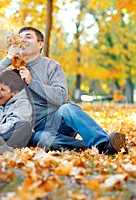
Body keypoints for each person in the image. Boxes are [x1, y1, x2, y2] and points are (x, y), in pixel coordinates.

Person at [14, 26, 126, 155]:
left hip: (57, 121)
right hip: (35, 131)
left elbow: (61, 97)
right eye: (20, 38)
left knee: (67, 108)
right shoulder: (12, 70)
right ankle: (98, 146)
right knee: (44, 140)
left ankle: (103, 142)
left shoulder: (52, 66)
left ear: (40, 44)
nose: (22, 40)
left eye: (28, 37)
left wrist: (32, 83)